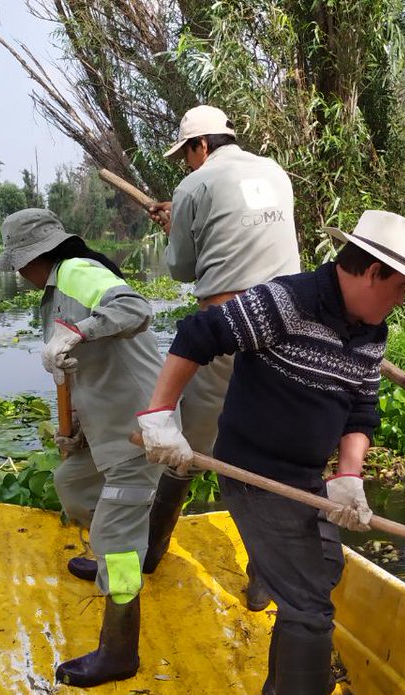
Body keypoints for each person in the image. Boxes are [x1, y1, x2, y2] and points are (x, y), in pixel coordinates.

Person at [137, 210, 405, 695]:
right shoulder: (285, 301)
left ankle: (280, 688)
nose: (402, 299)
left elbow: (361, 408)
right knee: (309, 607)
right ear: (372, 273)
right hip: (251, 472)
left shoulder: (371, 333)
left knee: (323, 569)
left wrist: (349, 477)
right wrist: (160, 415)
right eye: (402, 287)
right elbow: (198, 333)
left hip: (306, 479)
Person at [69, 104, 300, 611]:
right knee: (267, 450)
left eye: (187, 156)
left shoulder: (194, 186)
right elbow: (245, 235)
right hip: (286, 326)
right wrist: (183, 219)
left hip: (229, 326)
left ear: (200, 146)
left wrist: (176, 224)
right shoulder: (274, 171)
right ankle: (264, 576)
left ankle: (147, 551)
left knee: (184, 447)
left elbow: (181, 267)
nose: (187, 165)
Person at [0, 208, 166, 688]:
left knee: (118, 540)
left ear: (36, 255)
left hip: (138, 425)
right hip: (100, 424)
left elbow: (134, 308)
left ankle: (119, 652)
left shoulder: (79, 272)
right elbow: (71, 372)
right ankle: (114, 550)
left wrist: (80, 331)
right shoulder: (53, 295)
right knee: (71, 485)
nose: (17, 273)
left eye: (17, 262)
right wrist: (69, 430)